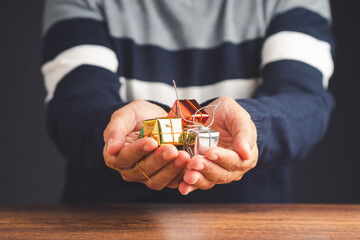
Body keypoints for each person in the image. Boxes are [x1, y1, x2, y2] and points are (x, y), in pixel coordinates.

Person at [42, 0, 334, 203]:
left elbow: (303, 99)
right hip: (104, 219)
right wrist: (114, 128)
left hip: (252, 220)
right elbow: (75, 102)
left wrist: (251, 126)